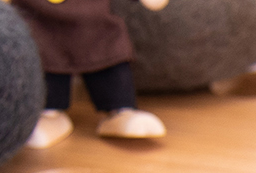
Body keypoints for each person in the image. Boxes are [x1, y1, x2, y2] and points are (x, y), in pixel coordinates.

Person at [11, 0, 170, 148]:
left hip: (98, 27)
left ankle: (121, 110)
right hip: (42, 25)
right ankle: (49, 113)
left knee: (109, 56)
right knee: (44, 57)